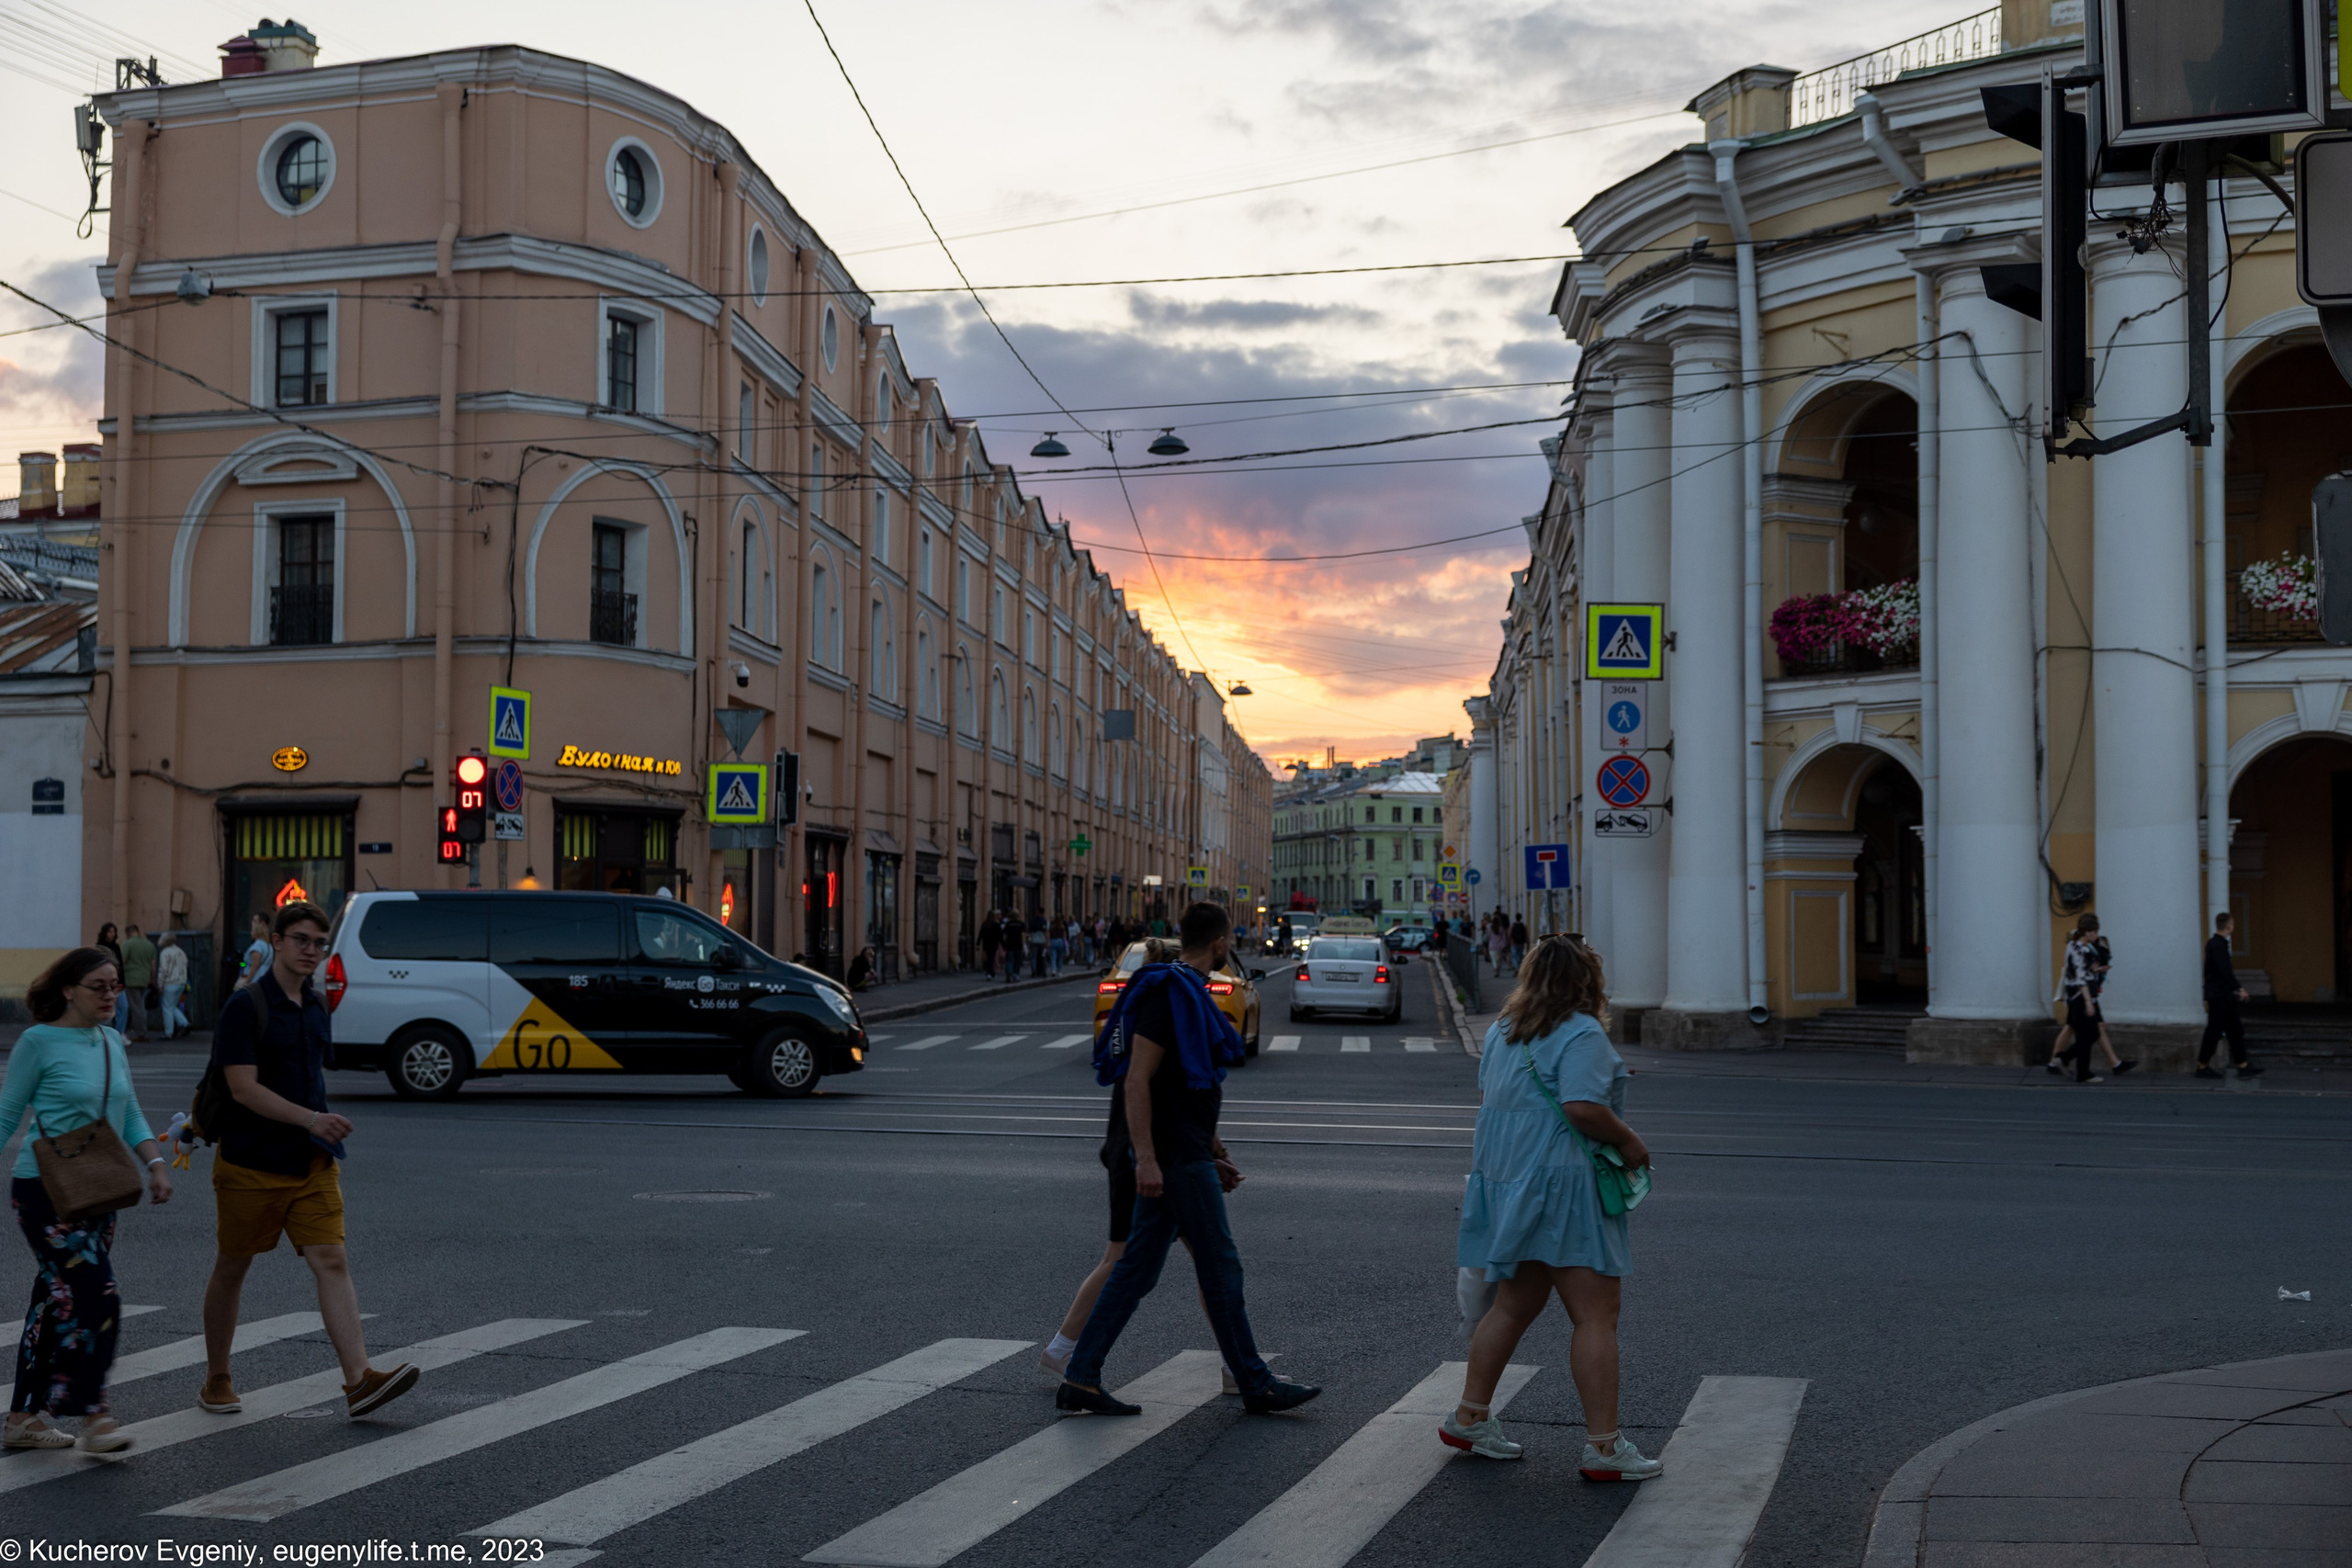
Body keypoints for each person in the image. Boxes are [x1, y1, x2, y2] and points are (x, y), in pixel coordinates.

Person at [1056, 902, 1319, 1417]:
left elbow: (1185, 1088)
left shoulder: (1185, 991)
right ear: (1220, 943)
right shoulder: (1167, 995)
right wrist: (1148, 1160)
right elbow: (1136, 1081)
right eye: (1230, 942)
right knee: (1220, 1267)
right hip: (1172, 1159)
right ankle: (1255, 1382)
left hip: (1185, 1153)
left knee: (1136, 1272)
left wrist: (1212, 1149)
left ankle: (1080, 1377)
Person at [1449, 934, 1658, 1480]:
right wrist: (1631, 1143)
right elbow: (1583, 1107)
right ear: (1587, 981)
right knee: (1597, 1314)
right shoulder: (1582, 1032)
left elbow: (1490, 1102)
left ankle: (1470, 1415)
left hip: (1511, 1182)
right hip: (1563, 1187)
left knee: (1513, 1306)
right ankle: (1605, 1450)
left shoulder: (1502, 1032)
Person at [199, 901, 417, 1421]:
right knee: (233, 1266)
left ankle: (359, 1380)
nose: (310, 952)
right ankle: (217, 1377)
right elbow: (243, 1089)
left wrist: (317, 1127)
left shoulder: (317, 1006)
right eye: (300, 940)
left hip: (312, 1165)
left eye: (319, 944)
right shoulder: (245, 1006)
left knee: (332, 1260)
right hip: (251, 1165)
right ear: (275, 940)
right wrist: (311, 1119)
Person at [1, 946, 173, 1453]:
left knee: (54, 1301)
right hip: (43, 1189)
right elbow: (8, 1115)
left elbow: (130, 1109)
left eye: (115, 986)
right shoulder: (38, 1042)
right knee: (97, 1295)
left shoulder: (111, 1041)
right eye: (98, 986)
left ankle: (22, 1419)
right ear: (68, 990)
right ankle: (94, 1414)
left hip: (98, 1188)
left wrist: (156, 1163)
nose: (109, 996)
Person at [2197, 911, 2262, 1080]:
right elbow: (2225, 971)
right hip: (2220, 996)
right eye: (2233, 922)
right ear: (2228, 925)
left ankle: (2243, 1065)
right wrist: (2239, 988)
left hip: (2223, 995)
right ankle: (2202, 1066)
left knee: (2234, 1030)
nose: (2234, 925)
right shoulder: (2218, 945)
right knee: (2214, 1031)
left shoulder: (2215, 944)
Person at [2051, 917, 2110, 1084]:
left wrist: (2097, 970)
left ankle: (2068, 1061)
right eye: (2095, 932)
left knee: (2089, 1034)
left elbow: (2084, 970)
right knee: (2089, 1035)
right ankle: (2077, 1069)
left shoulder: (2075, 946)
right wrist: (2088, 1002)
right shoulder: (2079, 950)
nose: (2097, 935)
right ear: (2087, 932)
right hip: (2080, 997)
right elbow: (2080, 979)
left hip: (2079, 997)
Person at [119, 924, 157, 1043]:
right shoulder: (149, 945)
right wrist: (152, 978)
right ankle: (136, 1030)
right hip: (144, 979)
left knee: (137, 1007)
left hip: (131, 979)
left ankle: (141, 1033)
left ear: (128, 933)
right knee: (139, 1004)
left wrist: (118, 976)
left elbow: (122, 961)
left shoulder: (128, 944)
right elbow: (153, 965)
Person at [156, 933, 190, 1039]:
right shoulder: (181, 951)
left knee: (167, 1007)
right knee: (172, 1006)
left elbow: (163, 970)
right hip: (181, 982)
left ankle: (168, 1033)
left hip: (170, 983)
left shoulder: (165, 952)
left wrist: (160, 984)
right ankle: (184, 1023)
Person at [233, 914, 271, 992]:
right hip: (264, 980)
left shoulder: (258, 945)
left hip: (254, 980)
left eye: (252, 930)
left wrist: (246, 981)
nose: (251, 932)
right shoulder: (269, 946)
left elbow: (254, 965)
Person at [978, 910, 1002, 982]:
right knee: (991, 959)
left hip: (986, 945)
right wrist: (1004, 945)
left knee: (989, 958)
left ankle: (990, 973)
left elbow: (981, 935)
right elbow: (1000, 936)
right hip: (994, 945)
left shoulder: (985, 924)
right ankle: (990, 973)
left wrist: (977, 944)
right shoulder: (996, 925)